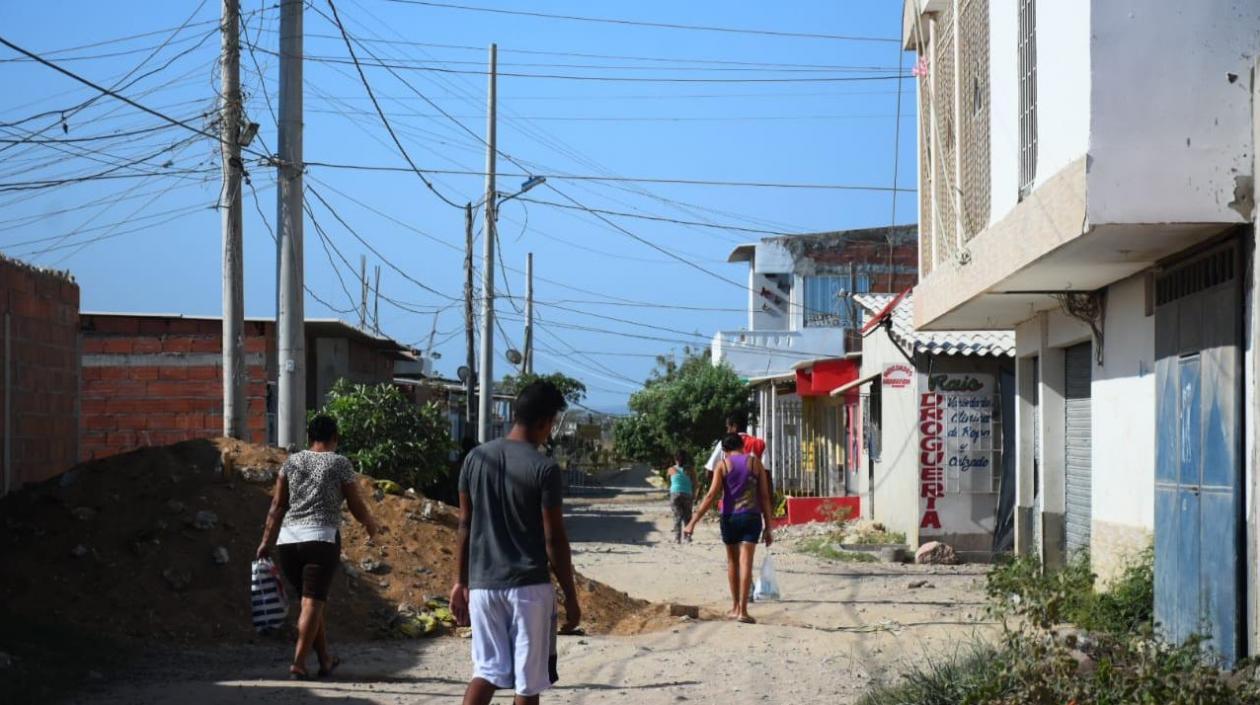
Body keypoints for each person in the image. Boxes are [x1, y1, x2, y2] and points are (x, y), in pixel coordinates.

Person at [450, 380, 581, 705]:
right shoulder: (544, 468)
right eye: (552, 423)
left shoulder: (474, 459)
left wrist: (460, 582)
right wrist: (570, 595)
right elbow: (554, 539)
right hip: (528, 590)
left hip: (483, 588)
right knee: (527, 683)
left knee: (486, 671)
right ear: (544, 422)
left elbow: (464, 524)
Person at [256, 414, 385, 680]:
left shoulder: (290, 462)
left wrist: (265, 541)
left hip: (288, 542)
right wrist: (371, 525)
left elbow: (277, 505)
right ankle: (299, 663)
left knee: (310, 603)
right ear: (335, 437)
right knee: (312, 603)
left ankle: (325, 659)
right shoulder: (339, 463)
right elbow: (355, 503)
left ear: (309, 438)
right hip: (321, 539)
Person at [684, 433, 774, 624]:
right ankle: (744, 611)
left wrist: (692, 522)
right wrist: (768, 527)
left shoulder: (723, 465)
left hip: (730, 518)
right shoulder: (755, 463)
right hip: (752, 517)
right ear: (742, 446)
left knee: (733, 562)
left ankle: (735, 608)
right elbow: (765, 496)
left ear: (724, 450)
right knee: (746, 562)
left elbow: (711, 496)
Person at [666, 450, 697, 544]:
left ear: (675, 459)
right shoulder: (691, 469)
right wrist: (694, 494)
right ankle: (687, 537)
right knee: (688, 516)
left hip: (675, 494)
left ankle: (677, 538)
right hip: (687, 494)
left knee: (677, 516)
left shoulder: (670, 469)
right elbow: (695, 483)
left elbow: (669, 482)